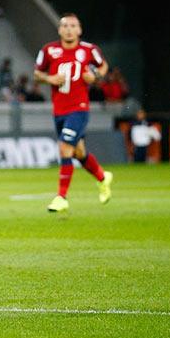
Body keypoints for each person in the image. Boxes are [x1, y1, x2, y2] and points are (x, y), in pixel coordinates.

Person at [34, 13, 113, 213]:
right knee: (79, 153)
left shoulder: (89, 50)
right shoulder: (49, 50)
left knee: (65, 148)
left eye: (73, 26)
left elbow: (103, 66)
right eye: (65, 25)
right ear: (59, 30)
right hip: (59, 110)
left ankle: (62, 197)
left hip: (79, 108)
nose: (69, 29)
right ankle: (103, 178)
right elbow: (37, 73)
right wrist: (49, 79)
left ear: (79, 30)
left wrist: (94, 76)